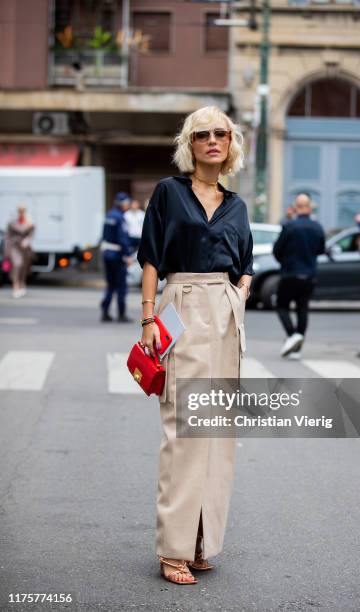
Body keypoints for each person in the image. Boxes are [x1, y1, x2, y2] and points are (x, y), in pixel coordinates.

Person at [137, 106, 253, 585]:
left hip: (224, 308)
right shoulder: (169, 193)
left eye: (220, 133)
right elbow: (150, 255)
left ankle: (204, 541)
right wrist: (148, 316)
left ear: (230, 144)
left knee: (217, 434)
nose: (211, 140)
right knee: (183, 431)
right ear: (191, 143)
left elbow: (245, 262)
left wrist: (239, 294)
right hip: (180, 301)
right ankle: (174, 547)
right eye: (202, 134)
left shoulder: (237, 205)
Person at [273, 194, 325, 359]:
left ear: (296, 207)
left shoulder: (290, 226)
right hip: (309, 275)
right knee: (302, 309)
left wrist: (285, 261)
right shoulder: (318, 227)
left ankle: (292, 336)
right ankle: (297, 348)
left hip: (289, 273)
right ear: (309, 208)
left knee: (281, 306)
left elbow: (277, 250)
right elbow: (321, 250)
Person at [99, 192, 133, 322]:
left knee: (110, 285)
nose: (128, 205)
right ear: (122, 204)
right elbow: (122, 238)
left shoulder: (109, 215)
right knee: (121, 286)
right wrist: (128, 255)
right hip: (118, 255)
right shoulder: (120, 218)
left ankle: (105, 312)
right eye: (127, 203)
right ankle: (121, 314)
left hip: (107, 253)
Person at [4, 204, 35, 298]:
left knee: (24, 266)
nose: (21, 212)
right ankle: (15, 287)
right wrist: (7, 248)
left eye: (23, 210)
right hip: (14, 246)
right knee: (17, 264)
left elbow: (31, 235)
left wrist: (26, 241)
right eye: (20, 210)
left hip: (24, 248)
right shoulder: (12, 221)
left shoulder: (29, 222)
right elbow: (8, 236)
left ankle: (22, 284)